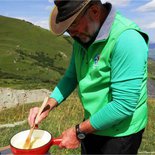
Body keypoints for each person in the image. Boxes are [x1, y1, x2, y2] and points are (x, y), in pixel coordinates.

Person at [28, 0, 149, 154]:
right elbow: (71, 77)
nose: (71, 34)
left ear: (94, 11)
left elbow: (123, 105)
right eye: (68, 29)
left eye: (73, 25)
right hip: (91, 126)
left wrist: (78, 131)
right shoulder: (82, 36)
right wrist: (48, 106)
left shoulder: (127, 39)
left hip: (120, 134)